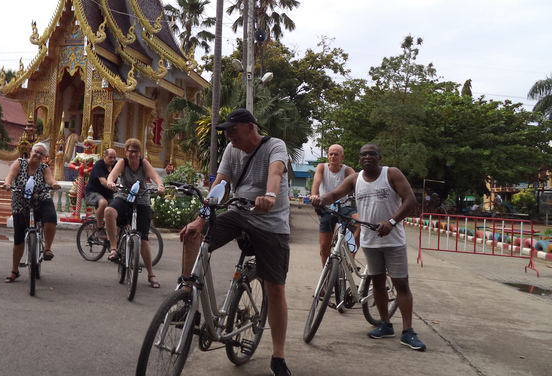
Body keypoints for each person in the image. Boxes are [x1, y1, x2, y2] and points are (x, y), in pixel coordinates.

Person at [179, 109, 292, 376]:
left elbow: (275, 172)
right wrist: (200, 219)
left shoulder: (275, 146)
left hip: (271, 222)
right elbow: (219, 185)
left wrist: (270, 196)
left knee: (275, 288)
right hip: (240, 214)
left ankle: (278, 357)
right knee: (192, 235)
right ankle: (187, 304)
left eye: (233, 130)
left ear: (250, 127)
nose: (229, 135)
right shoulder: (231, 151)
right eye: (226, 131)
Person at [311, 143, 426, 351]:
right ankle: (385, 324)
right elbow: (335, 194)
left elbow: (410, 201)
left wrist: (391, 222)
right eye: (363, 155)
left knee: (401, 284)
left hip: (393, 240)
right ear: (359, 159)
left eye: (372, 154)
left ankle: (408, 331)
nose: (368, 157)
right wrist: (321, 199)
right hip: (370, 242)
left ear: (379, 157)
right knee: (379, 282)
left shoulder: (391, 174)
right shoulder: (356, 179)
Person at [105, 138, 164, 289]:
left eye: (136, 152)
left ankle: (151, 274)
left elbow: (155, 176)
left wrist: (160, 185)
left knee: (143, 240)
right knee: (109, 211)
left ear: (139, 153)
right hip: (124, 198)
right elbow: (112, 175)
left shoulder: (143, 163)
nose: (133, 154)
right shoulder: (122, 163)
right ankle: (114, 248)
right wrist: (111, 182)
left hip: (142, 200)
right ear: (126, 152)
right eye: (130, 151)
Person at [1, 142, 61, 283]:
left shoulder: (44, 167)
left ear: (44, 157)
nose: (38, 155)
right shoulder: (20, 163)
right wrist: (7, 183)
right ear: (31, 151)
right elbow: (10, 175)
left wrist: (54, 184)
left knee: (51, 217)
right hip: (21, 203)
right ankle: (14, 270)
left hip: (41, 200)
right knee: (19, 238)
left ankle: (47, 249)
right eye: (36, 152)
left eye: (41, 154)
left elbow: (49, 179)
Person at [310, 144, 357, 267]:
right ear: (327, 156)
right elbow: (317, 181)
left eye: (336, 154)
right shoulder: (322, 167)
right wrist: (314, 195)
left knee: (360, 223)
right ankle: (326, 277)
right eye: (331, 154)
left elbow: (358, 182)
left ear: (342, 157)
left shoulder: (347, 170)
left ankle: (351, 257)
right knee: (324, 247)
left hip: (344, 207)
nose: (333, 156)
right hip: (327, 208)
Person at [84, 148, 117, 240]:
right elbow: (103, 182)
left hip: (108, 195)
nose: (113, 160)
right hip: (92, 192)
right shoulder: (99, 165)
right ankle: (99, 228)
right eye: (110, 157)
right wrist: (114, 188)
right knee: (103, 203)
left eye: (114, 158)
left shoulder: (116, 165)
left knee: (118, 208)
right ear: (105, 157)